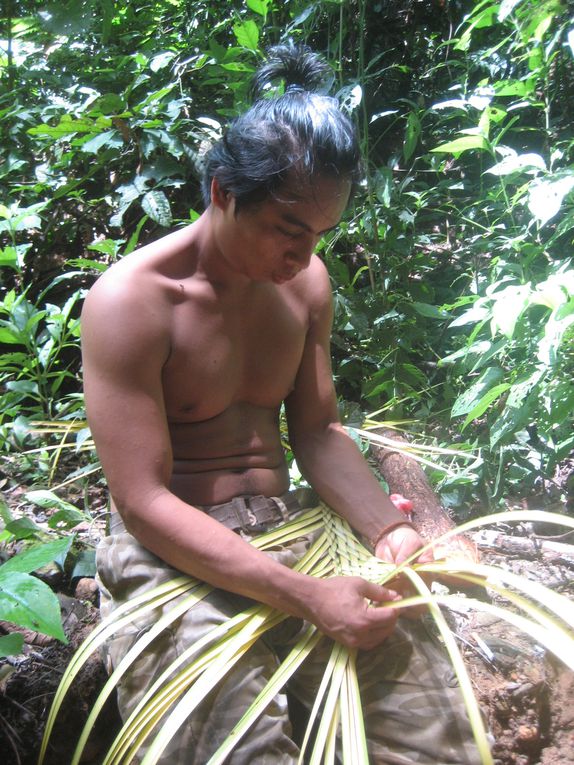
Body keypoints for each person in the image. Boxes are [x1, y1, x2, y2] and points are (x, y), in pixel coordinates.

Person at [82, 42, 482, 764]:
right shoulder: (131, 302)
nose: (302, 258)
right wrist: (301, 595)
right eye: (287, 231)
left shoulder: (305, 285)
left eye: (319, 237)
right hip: (174, 553)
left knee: (435, 727)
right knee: (239, 746)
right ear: (222, 192)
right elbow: (141, 500)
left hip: (290, 525)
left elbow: (319, 431)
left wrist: (383, 532)